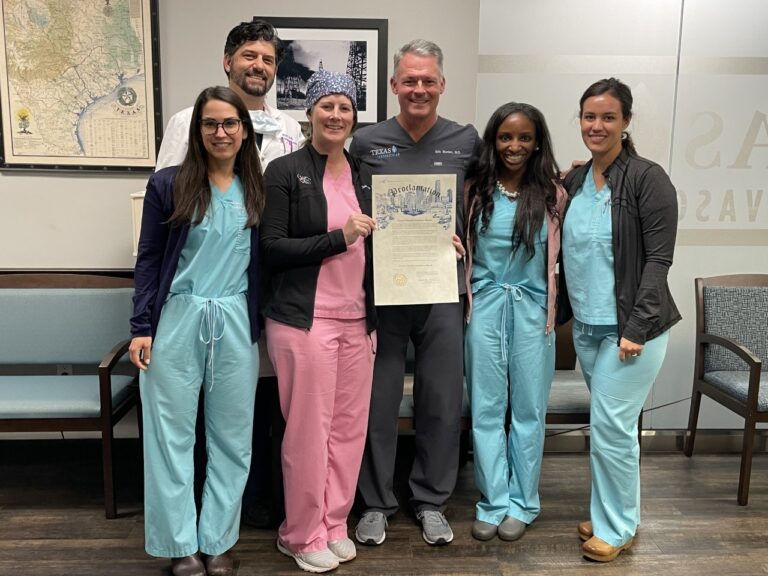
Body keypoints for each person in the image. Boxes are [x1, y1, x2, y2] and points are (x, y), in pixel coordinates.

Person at [156, 18, 305, 528]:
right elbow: (167, 208)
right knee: (188, 423)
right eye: (248, 56)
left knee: (245, 419)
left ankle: (238, 518)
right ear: (228, 61)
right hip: (194, 302)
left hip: (259, 298)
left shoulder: (289, 130)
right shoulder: (186, 121)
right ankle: (186, 528)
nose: (258, 65)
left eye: (267, 58)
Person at [129, 86, 265, 576]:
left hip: (234, 320)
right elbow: (146, 259)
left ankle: (218, 539)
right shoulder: (168, 185)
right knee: (171, 437)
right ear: (197, 130)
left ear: (246, 131)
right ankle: (179, 544)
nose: (221, 132)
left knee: (232, 437)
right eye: (211, 123)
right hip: (177, 321)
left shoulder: (258, 189)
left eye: (230, 123)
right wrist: (141, 326)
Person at [351, 39, 479, 547]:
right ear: (393, 85)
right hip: (382, 290)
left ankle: (430, 500)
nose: (419, 89)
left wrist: (462, 239)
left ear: (442, 84)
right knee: (377, 401)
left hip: (441, 288)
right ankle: (377, 502)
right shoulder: (366, 142)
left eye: (428, 80)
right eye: (410, 80)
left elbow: (491, 198)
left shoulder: (466, 141)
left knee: (442, 401)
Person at [558, 78, 681, 562]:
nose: (597, 125)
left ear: (626, 122)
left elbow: (659, 261)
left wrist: (635, 328)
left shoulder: (649, 179)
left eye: (608, 117)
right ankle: (613, 509)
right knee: (613, 428)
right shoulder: (575, 181)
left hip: (633, 333)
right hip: (587, 329)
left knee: (610, 428)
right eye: (589, 116)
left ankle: (617, 527)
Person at [260, 70, 377, 574]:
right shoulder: (284, 171)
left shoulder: (365, 173)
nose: (336, 115)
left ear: (355, 117)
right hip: (303, 322)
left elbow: (386, 238)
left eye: (345, 107)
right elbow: (272, 249)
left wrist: (439, 247)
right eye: (326, 105)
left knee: (348, 431)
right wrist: (338, 238)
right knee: (308, 431)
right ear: (310, 113)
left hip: (359, 321)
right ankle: (299, 532)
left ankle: (333, 523)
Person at [463, 102, 566, 542]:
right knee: (485, 410)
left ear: (537, 142)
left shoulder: (555, 195)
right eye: (506, 137)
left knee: (527, 410)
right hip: (483, 310)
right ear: (493, 141)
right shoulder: (473, 191)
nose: (515, 146)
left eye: (524, 137)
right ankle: (492, 501)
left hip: (533, 314)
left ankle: (523, 502)